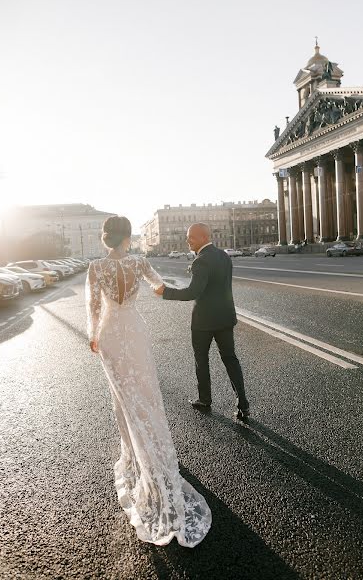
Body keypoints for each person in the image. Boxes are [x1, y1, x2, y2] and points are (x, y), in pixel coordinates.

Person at [85, 215, 211, 547]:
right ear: (128, 238)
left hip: (111, 334)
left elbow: (94, 307)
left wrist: (93, 337)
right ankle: (153, 449)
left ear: (105, 239)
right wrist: (193, 290)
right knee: (146, 392)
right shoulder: (140, 262)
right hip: (135, 331)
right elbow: (159, 288)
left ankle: (134, 450)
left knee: (123, 398)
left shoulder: (96, 267)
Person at [155, 223, 250, 419]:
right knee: (231, 360)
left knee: (202, 360)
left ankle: (205, 399)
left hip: (203, 322)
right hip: (225, 317)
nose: (187, 240)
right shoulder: (224, 255)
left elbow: (193, 292)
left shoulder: (201, 261)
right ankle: (243, 403)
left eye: (191, 237)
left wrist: (166, 292)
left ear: (204, 238)